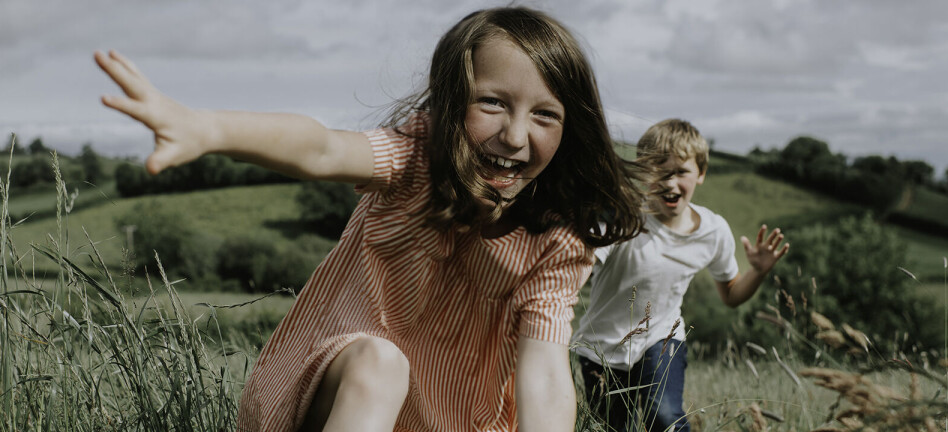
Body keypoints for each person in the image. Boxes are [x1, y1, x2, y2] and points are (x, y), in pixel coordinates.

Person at [95, 7, 652, 432]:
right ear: (450, 102)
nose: (514, 135)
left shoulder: (557, 239)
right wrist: (211, 129)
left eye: (545, 115)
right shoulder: (414, 160)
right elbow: (321, 149)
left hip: (451, 420)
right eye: (492, 103)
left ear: (571, 129)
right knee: (382, 363)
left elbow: (546, 372)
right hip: (329, 395)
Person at [572, 119, 790, 432]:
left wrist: (757, 271)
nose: (671, 183)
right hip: (601, 348)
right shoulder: (623, 219)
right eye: (660, 171)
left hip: (662, 339)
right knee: (611, 428)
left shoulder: (713, 231)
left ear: (701, 173)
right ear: (643, 172)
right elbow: (580, 267)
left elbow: (731, 295)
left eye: (681, 172)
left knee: (665, 417)